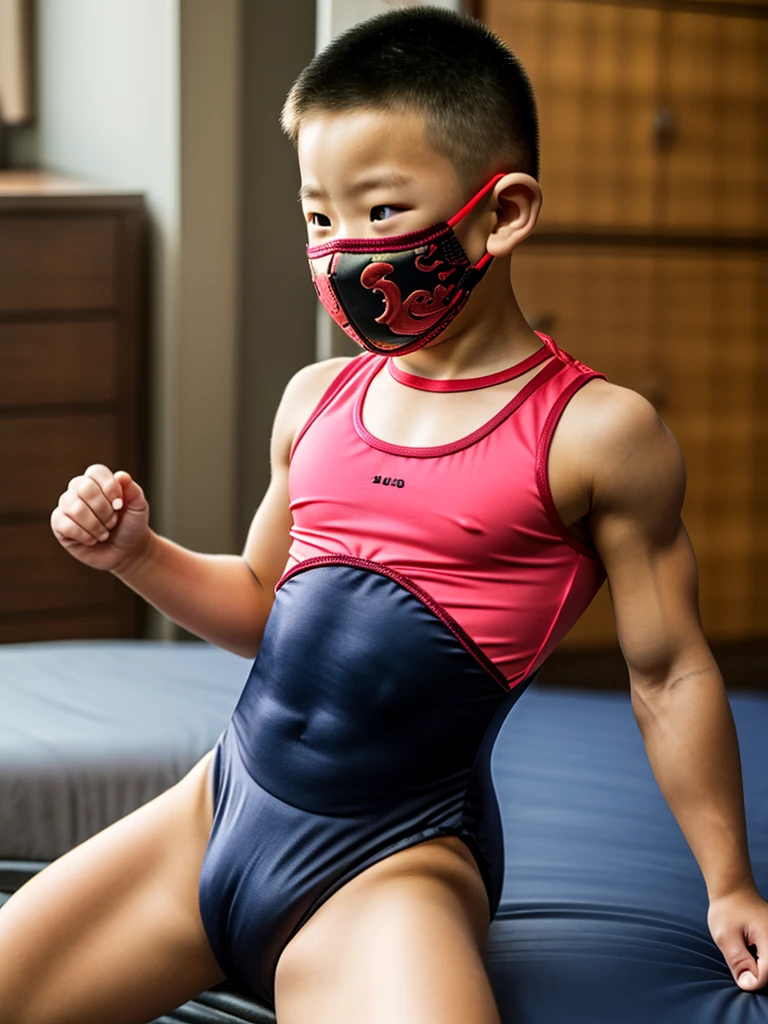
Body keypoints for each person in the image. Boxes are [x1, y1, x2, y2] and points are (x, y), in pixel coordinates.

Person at [1, 8, 766, 1024]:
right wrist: (138, 555)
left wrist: (729, 880)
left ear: (502, 214)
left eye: (382, 212)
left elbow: (669, 670)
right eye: (320, 218)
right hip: (214, 814)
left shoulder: (595, 434)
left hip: (391, 862)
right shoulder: (315, 398)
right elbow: (263, 606)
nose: (342, 252)